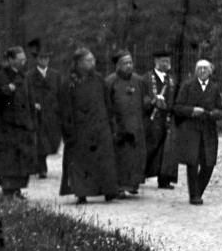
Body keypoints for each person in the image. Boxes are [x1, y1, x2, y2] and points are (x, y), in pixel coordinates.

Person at [58, 46, 119, 203]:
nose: (93, 63)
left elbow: (107, 103)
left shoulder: (99, 79)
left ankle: (108, 191)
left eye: (93, 60)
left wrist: (110, 123)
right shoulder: (69, 82)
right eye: (89, 60)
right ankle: (82, 193)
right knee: (81, 162)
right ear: (79, 63)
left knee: (104, 161)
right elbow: (65, 109)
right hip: (80, 129)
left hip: (100, 127)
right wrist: (68, 130)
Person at [172, 59, 222, 205]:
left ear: (210, 72)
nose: (202, 71)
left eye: (205, 69)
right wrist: (191, 111)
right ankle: (194, 195)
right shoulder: (187, 86)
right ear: (196, 71)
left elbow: (221, 109)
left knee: (209, 164)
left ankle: (198, 191)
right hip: (191, 130)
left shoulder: (214, 88)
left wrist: (216, 113)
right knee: (193, 162)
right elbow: (177, 107)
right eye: (200, 68)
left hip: (208, 130)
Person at [0, 46, 37, 198]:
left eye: (24, 59)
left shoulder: (24, 77)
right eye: (20, 59)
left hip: (23, 124)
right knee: (8, 162)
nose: (23, 62)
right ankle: (8, 190)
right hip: (7, 125)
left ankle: (17, 189)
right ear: (10, 60)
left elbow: (29, 99)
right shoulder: (0, 76)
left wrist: (32, 120)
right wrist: (7, 91)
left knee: (21, 161)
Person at [104, 50, 151, 197]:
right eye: (125, 63)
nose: (129, 66)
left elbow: (145, 100)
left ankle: (133, 183)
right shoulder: (110, 82)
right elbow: (106, 106)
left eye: (130, 62)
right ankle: (118, 186)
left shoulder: (139, 81)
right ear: (117, 65)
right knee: (121, 156)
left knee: (137, 155)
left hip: (136, 125)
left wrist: (152, 102)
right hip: (119, 126)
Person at [143, 48, 179, 189]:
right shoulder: (147, 78)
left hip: (167, 118)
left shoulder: (172, 79)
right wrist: (153, 101)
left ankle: (164, 179)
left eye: (168, 61)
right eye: (163, 61)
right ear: (156, 61)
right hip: (151, 119)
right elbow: (143, 97)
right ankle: (140, 176)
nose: (166, 64)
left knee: (167, 150)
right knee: (150, 148)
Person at [27, 39, 62, 178]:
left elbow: (60, 93)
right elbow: (27, 93)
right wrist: (33, 104)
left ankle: (40, 164)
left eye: (47, 58)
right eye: (41, 58)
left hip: (52, 113)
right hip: (38, 113)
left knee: (52, 140)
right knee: (40, 142)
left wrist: (58, 108)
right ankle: (41, 168)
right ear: (37, 59)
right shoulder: (29, 76)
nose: (44, 61)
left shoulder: (55, 75)